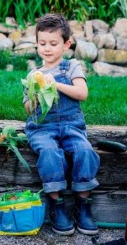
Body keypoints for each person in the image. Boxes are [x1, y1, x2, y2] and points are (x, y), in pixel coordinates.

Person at [23, 14, 100, 236]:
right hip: (43, 127)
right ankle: (57, 205)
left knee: (85, 152)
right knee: (49, 153)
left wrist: (55, 84)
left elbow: (82, 93)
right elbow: (28, 108)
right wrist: (35, 97)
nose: (47, 49)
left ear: (66, 44)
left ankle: (82, 204)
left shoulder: (71, 66)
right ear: (37, 43)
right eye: (42, 43)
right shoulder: (32, 74)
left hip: (71, 124)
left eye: (53, 44)